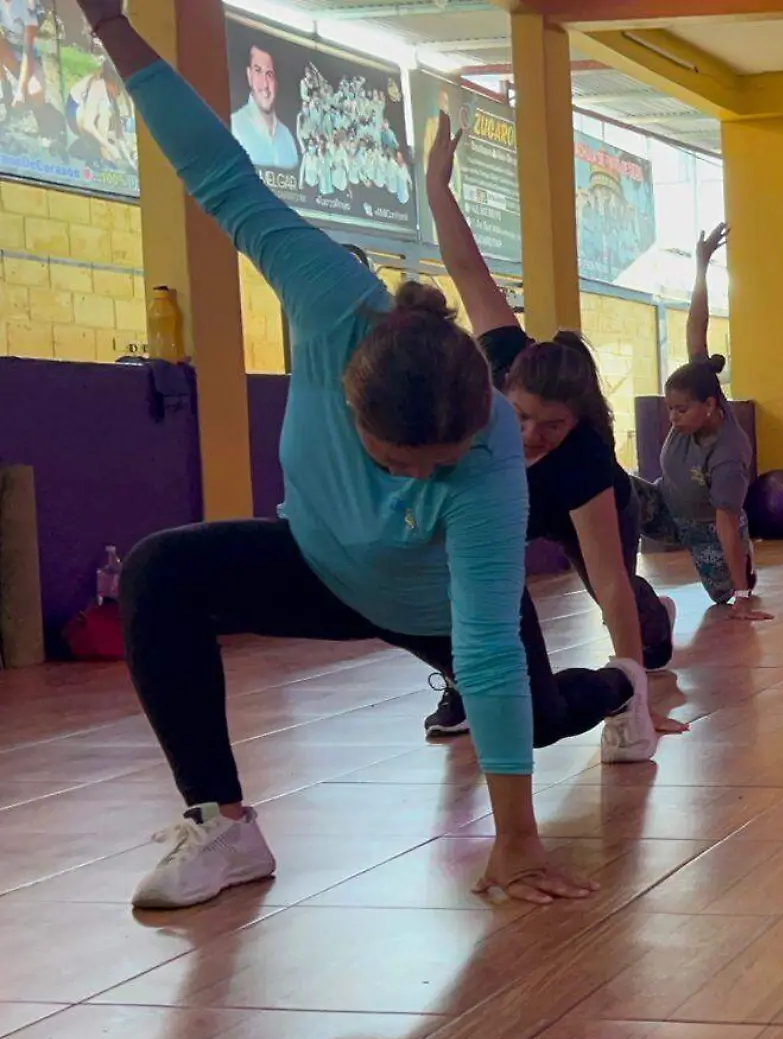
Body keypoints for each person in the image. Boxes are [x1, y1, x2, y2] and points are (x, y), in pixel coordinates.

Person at [79, 0, 621, 910]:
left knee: (544, 714)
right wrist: (110, 25)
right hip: (322, 566)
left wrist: (516, 839)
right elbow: (219, 174)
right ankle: (221, 824)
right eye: (401, 461)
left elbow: (484, 645)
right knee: (161, 573)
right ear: (353, 398)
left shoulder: (488, 456)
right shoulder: (330, 298)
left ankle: (622, 684)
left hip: (441, 610)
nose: (421, 478)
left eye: (437, 462)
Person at [418, 113, 683, 741]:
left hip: (581, 512)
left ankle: (660, 622)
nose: (533, 433)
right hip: (511, 504)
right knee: (466, 573)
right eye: (522, 417)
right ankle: (463, 684)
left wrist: (637, 701)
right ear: (504, 386)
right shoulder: (503, 356)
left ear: (576, 420)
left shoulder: (585, 462)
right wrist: (436, 187)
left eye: (553, 426)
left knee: (615, 597)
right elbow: (466, 267)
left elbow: (611, 587)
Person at [619, 223, 771, 620]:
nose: (672, 417)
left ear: (709, 406)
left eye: (680, 410)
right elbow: (695, 328)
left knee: (721, 598)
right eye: (669, 409)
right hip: (666, 506)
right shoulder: (697, 387)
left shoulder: (729, 453)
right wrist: (702, 265)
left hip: (709, 527)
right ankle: (617, 589)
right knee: (609, 488)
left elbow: (723, 523)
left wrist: (741, 598)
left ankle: (743, 570)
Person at [230, 43, 298, 170]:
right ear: (249, 75)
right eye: (258, 71)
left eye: (269, 74)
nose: (265, 84)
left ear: (276, 82)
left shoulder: (288, 138)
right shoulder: (235, 127)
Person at [66, 54, 131, 167]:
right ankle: (94, 151)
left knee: (106, 113)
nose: (120, 91)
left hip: (86, 112)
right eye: (119, 87)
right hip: (74, 113)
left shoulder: (109, 91)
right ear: (111, 82)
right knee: (104, 113)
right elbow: (88, 124)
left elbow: (119, 134)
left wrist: (129, 160)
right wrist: (108, 146)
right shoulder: (98, 86)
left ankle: (101, 151)